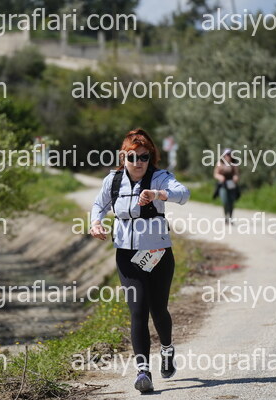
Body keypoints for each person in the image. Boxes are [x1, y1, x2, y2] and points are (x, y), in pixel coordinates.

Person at [90, 128, 190, 393]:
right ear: (123, 157)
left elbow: (183, 194)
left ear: (150, 157)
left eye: (144, 157)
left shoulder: (160, 177)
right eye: (132, 157)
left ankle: (167, 349)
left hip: (158, 254)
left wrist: (158, 194)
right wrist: (95, 223)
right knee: (138, 311)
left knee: (158, 310)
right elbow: (98, 205)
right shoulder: (113, 181)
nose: (138, 162)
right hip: (126, 255)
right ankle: (143, 372)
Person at [213, 148, 239, 224]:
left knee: (231, 202)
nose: (228, 156)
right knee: (225, 201)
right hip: (223, 185)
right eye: (227, 154)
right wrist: (220, 177)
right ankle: (226, 217)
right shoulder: (220, 163)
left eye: (229, 154)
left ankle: (230, 217)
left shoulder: (234, 164)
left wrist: (235, 177)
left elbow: (236, 174)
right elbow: (215, 174)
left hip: (231, 185)